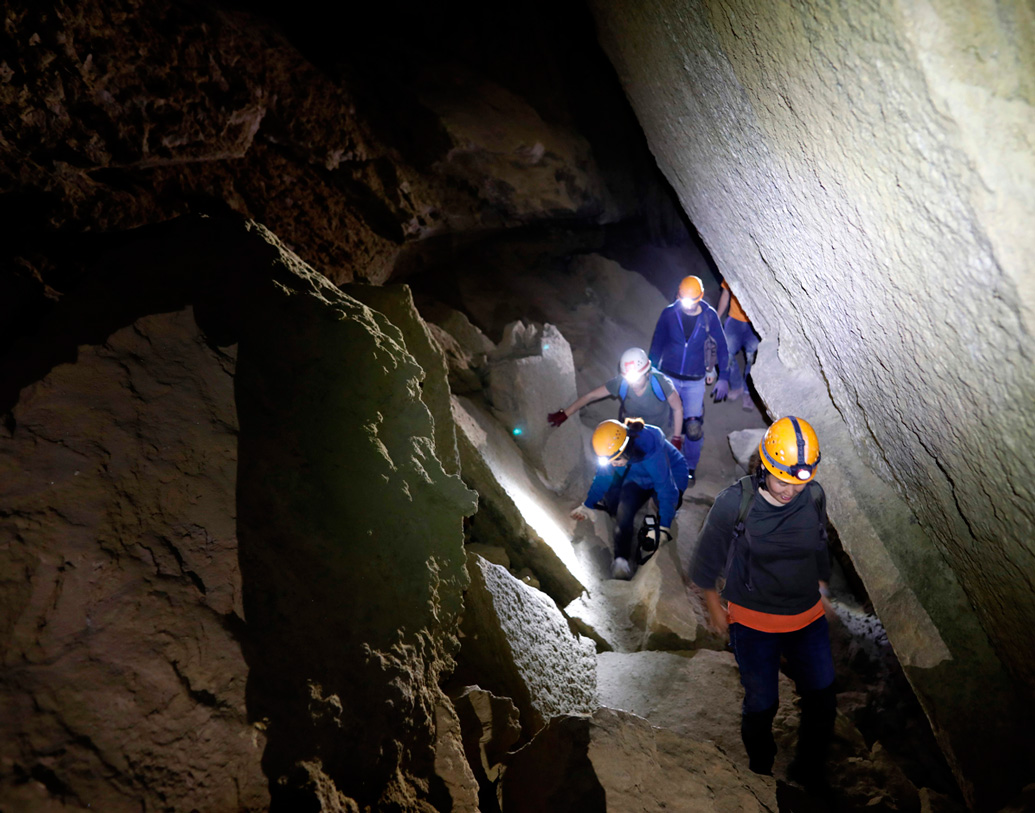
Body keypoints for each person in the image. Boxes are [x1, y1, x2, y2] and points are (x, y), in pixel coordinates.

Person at [690, 416, 836, 790]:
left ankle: (809, 772)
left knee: (822, 700)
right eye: (782, 480)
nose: (791, 490)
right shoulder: (734, 503)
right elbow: (705, 563)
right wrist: (714, 608)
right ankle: (760, 774)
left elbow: (819, 544)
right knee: (762, 703)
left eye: (799, 482)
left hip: (807, 617)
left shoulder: (814, 494)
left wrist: (822, 587)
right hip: (755, 624)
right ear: (764, 467)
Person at [571, 418, 689, 580]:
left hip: (672, 474)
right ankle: (621, 560)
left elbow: (666, 489)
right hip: (638, 476)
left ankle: (651, 538)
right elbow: (603, 477)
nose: (614, 464)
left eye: (616, 460)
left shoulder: (651, 452)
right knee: (623, 508)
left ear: (626, 451)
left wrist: (664, 526)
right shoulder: (614, 449)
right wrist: (588, 505)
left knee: (660, 508)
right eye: (610, 461)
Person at [648, 275, 729, 487]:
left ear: (701, 298)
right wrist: (651, 372)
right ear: (678, 296)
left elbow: (721, 346)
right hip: (669, 377)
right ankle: (658, 461)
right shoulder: (669, 314)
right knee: (662, 420)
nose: (688, 306)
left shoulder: (710, 317)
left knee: (693, 429)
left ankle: (689, 467)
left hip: (694, 381)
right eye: (685, 301)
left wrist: (725, 377)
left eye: (693, 302)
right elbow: (657, 344)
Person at [547, 348, 684, 445]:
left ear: (647, 373)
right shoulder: (622, 383)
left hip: (658, 435)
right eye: (630, 379)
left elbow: (678, 409)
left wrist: (676, 438)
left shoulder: (661, 384)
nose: (633, 383)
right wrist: (565, 413)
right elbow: (591, 396)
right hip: (630, 432)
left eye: (637, 379)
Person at [717, 279, 761, 411]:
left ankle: (748, 392)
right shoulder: (734, 269)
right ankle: (737, 386)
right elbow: (726, 294)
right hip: (734, 318)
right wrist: (717, 317)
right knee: (725, 353)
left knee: (753, 358)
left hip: (755, 321)